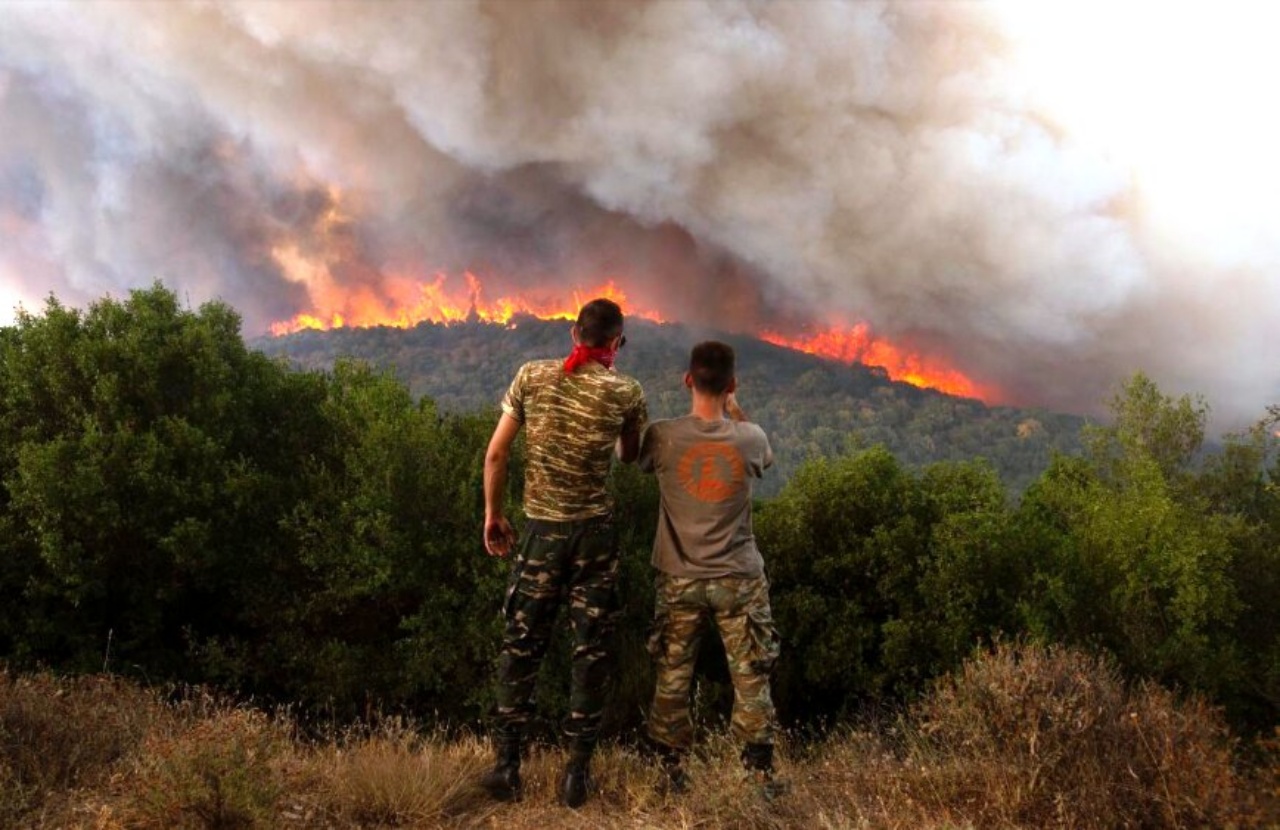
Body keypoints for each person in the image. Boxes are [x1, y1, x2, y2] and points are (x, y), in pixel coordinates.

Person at [479, 297, 647, 809]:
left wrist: (493, 513)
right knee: (590, 650)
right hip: (594, 537)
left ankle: (508, 769)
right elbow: (630, 454)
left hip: (540, 534)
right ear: (615, 343)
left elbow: (495, 452)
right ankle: (576, 776)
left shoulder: (531, 376)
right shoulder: (626, 390)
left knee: (521, 647)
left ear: (575, 334)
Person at [637, 340, 783, 797]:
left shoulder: (662, 436)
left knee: (673, 672)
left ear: (687, 380)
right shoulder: (749, 437)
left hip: (679, 577)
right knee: (751, 674)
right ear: (732, 385)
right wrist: (736, 411)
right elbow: (765, 459)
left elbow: (636, 460)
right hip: (738, 579)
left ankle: (669, 771)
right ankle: (757, 776)